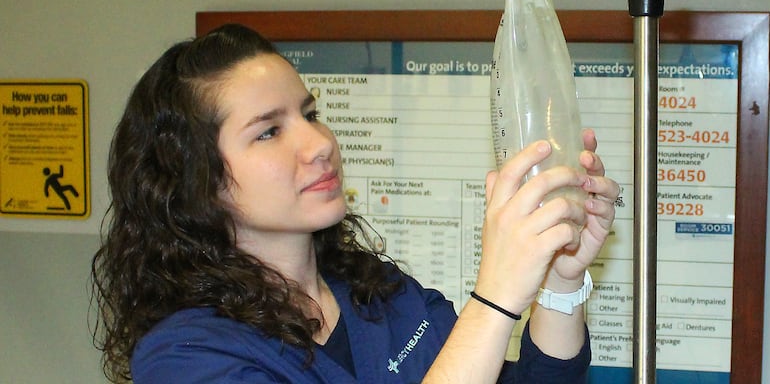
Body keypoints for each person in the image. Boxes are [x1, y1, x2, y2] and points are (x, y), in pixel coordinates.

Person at [90, 23, 620, 384]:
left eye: (310, 113)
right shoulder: (188, 356)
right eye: (270, 131)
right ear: (195, 180)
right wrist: (497, 295)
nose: (320, 144)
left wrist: (559, 285)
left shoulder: (384, 297)